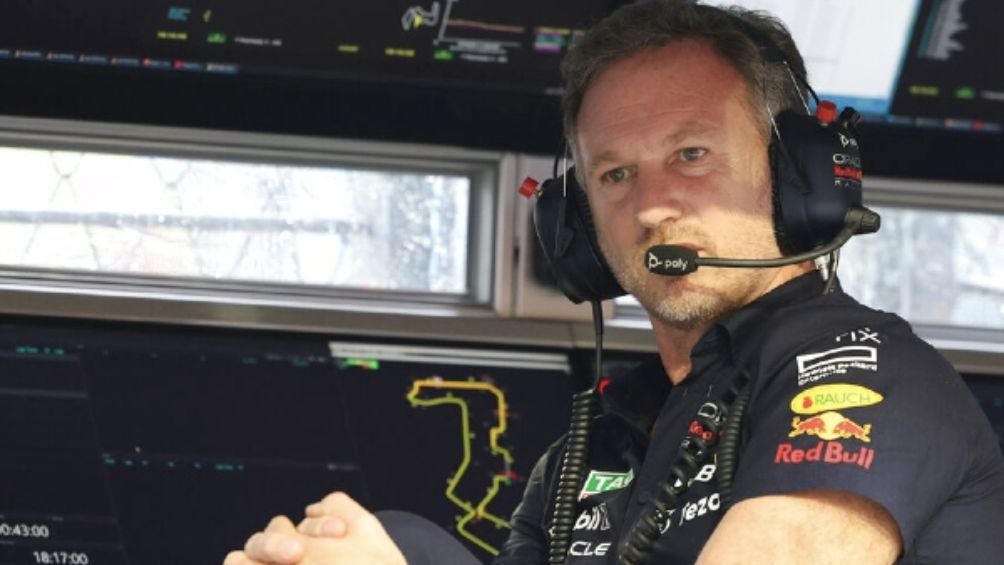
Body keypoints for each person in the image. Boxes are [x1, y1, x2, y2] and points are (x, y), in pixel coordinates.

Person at [224, 1, 1004, 563]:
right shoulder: (595, 446)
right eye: (616, 173)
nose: (653, 205)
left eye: (692, 154)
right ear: (578, 221)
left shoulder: (870, 374)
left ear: (797, 175)